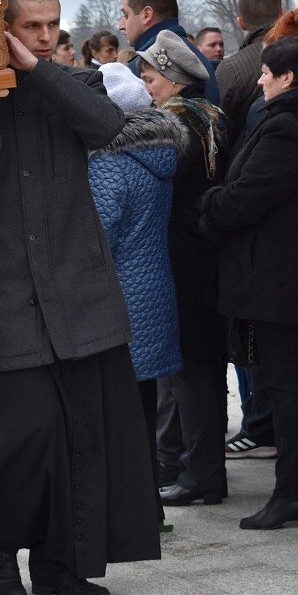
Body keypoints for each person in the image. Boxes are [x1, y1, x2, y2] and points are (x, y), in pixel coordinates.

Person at [0, 0, 160, 595]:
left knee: (84, 434)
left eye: (51, 25)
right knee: (11, 438)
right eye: (30, 27)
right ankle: (0, 556)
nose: (44, 36)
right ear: (1, 28)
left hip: (80, 289)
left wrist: (37, 71)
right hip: (9, 295)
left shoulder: (76, 85)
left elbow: (108, 126)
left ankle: (66, 564)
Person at [200, 35, 298, 530]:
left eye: (268, 71)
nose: (261, 78)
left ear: (288, 78)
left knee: (288, 385)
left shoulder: (290, 125)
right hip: (288, 277)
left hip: (281, 281)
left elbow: (246, 196)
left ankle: (292, 495)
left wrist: (208, 205)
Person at [88, 62, 188, 530]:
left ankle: (129, 512)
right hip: (153, 292)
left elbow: (97, 235)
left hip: (120, 300)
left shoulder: (110, 162)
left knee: (116, 416)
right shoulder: (160, 153)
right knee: (141, 410)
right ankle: (150, 506)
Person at [135, 31, 228, 507]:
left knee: (189, 371)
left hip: (181, 260)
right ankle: (207, 472)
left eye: (150, 78)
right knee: (205, 369)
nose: (146, 86)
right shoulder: (208, 118)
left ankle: (201, 475)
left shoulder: (175, 126)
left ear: (172, 80)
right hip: (206, 256)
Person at [119, 0, 220, 104]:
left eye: (126, 15)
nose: (121, 25)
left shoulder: (141, 65)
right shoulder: (200, 59)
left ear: (146, 14)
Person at [215, 0, 282, 152]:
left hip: (247, 164)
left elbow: (218, 131)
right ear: (282, 12)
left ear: (241, 23)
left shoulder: (231, 69)